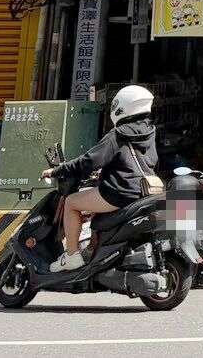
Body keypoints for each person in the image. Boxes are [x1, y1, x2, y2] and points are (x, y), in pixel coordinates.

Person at [42, 84, 159, 272]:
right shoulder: (149, 132)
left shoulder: (118, 134)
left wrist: (58, 170)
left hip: (119, 192)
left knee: (71, 202)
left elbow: (89, 161)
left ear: (122, 106)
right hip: (143, 190)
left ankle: (72, 256)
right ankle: (92, 249)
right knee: (93, 209)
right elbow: (150, 160)